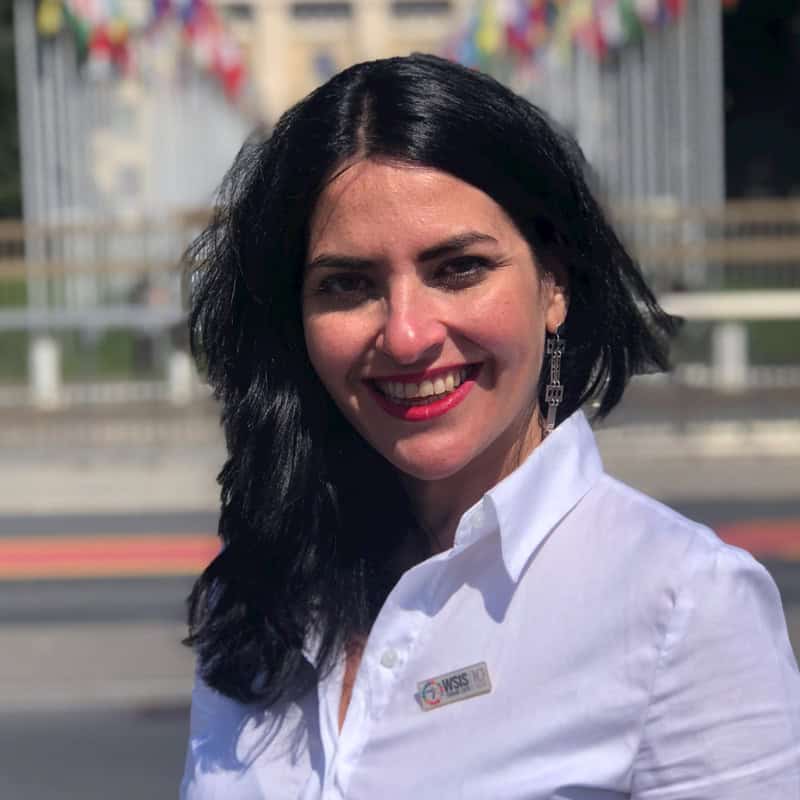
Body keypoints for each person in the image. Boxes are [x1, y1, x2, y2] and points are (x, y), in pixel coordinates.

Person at [179, 53, 800, 799]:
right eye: (347, 284)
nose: (406, 334)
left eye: (459, 269)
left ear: (553, 282)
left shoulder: (683, 604)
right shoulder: (261, 587)